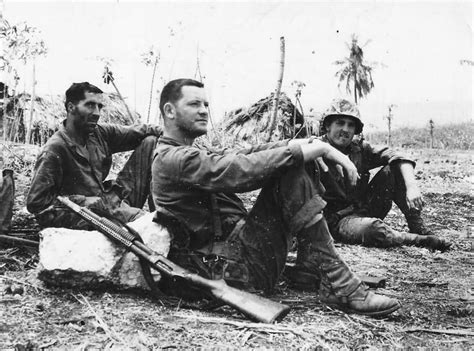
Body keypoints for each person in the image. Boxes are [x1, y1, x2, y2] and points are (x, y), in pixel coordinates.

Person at [150, 78, 401, 317]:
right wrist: (307, 151)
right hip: (228, 270)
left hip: (239, 255)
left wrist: (302, 144)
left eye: (206, 105)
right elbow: (237, 167)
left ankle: (313, 269)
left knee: (297, 159)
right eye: (194, 104)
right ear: (170, 111)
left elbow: (244, 152)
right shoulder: (173, 159)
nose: (204, 111)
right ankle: (342, 285)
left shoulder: (189, 151)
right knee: (291, 168)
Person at [316, 98, 450, 250]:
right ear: (327, 126)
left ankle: (417, 227)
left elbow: (397, 156)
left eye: (350, 125)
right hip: (337, 221)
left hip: (363, 209)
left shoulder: (358, 149)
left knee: (394, 168)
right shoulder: (314, 149)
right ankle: (418, 240)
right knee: (373, 229)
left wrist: (412, 187)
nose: (346, 129)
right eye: (340, 123)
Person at [27, 82, 162, 229]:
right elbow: (36, 203)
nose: (97, 112)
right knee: (149, 222)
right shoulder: (55, 150)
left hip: (110, 199)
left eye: (99, 107)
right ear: (71, 107)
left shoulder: (99, 133)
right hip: (88, 215)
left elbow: (139, 131)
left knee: (151, 141)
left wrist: (171, 134)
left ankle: (160, 209)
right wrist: (82, 201)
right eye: (90, 105)